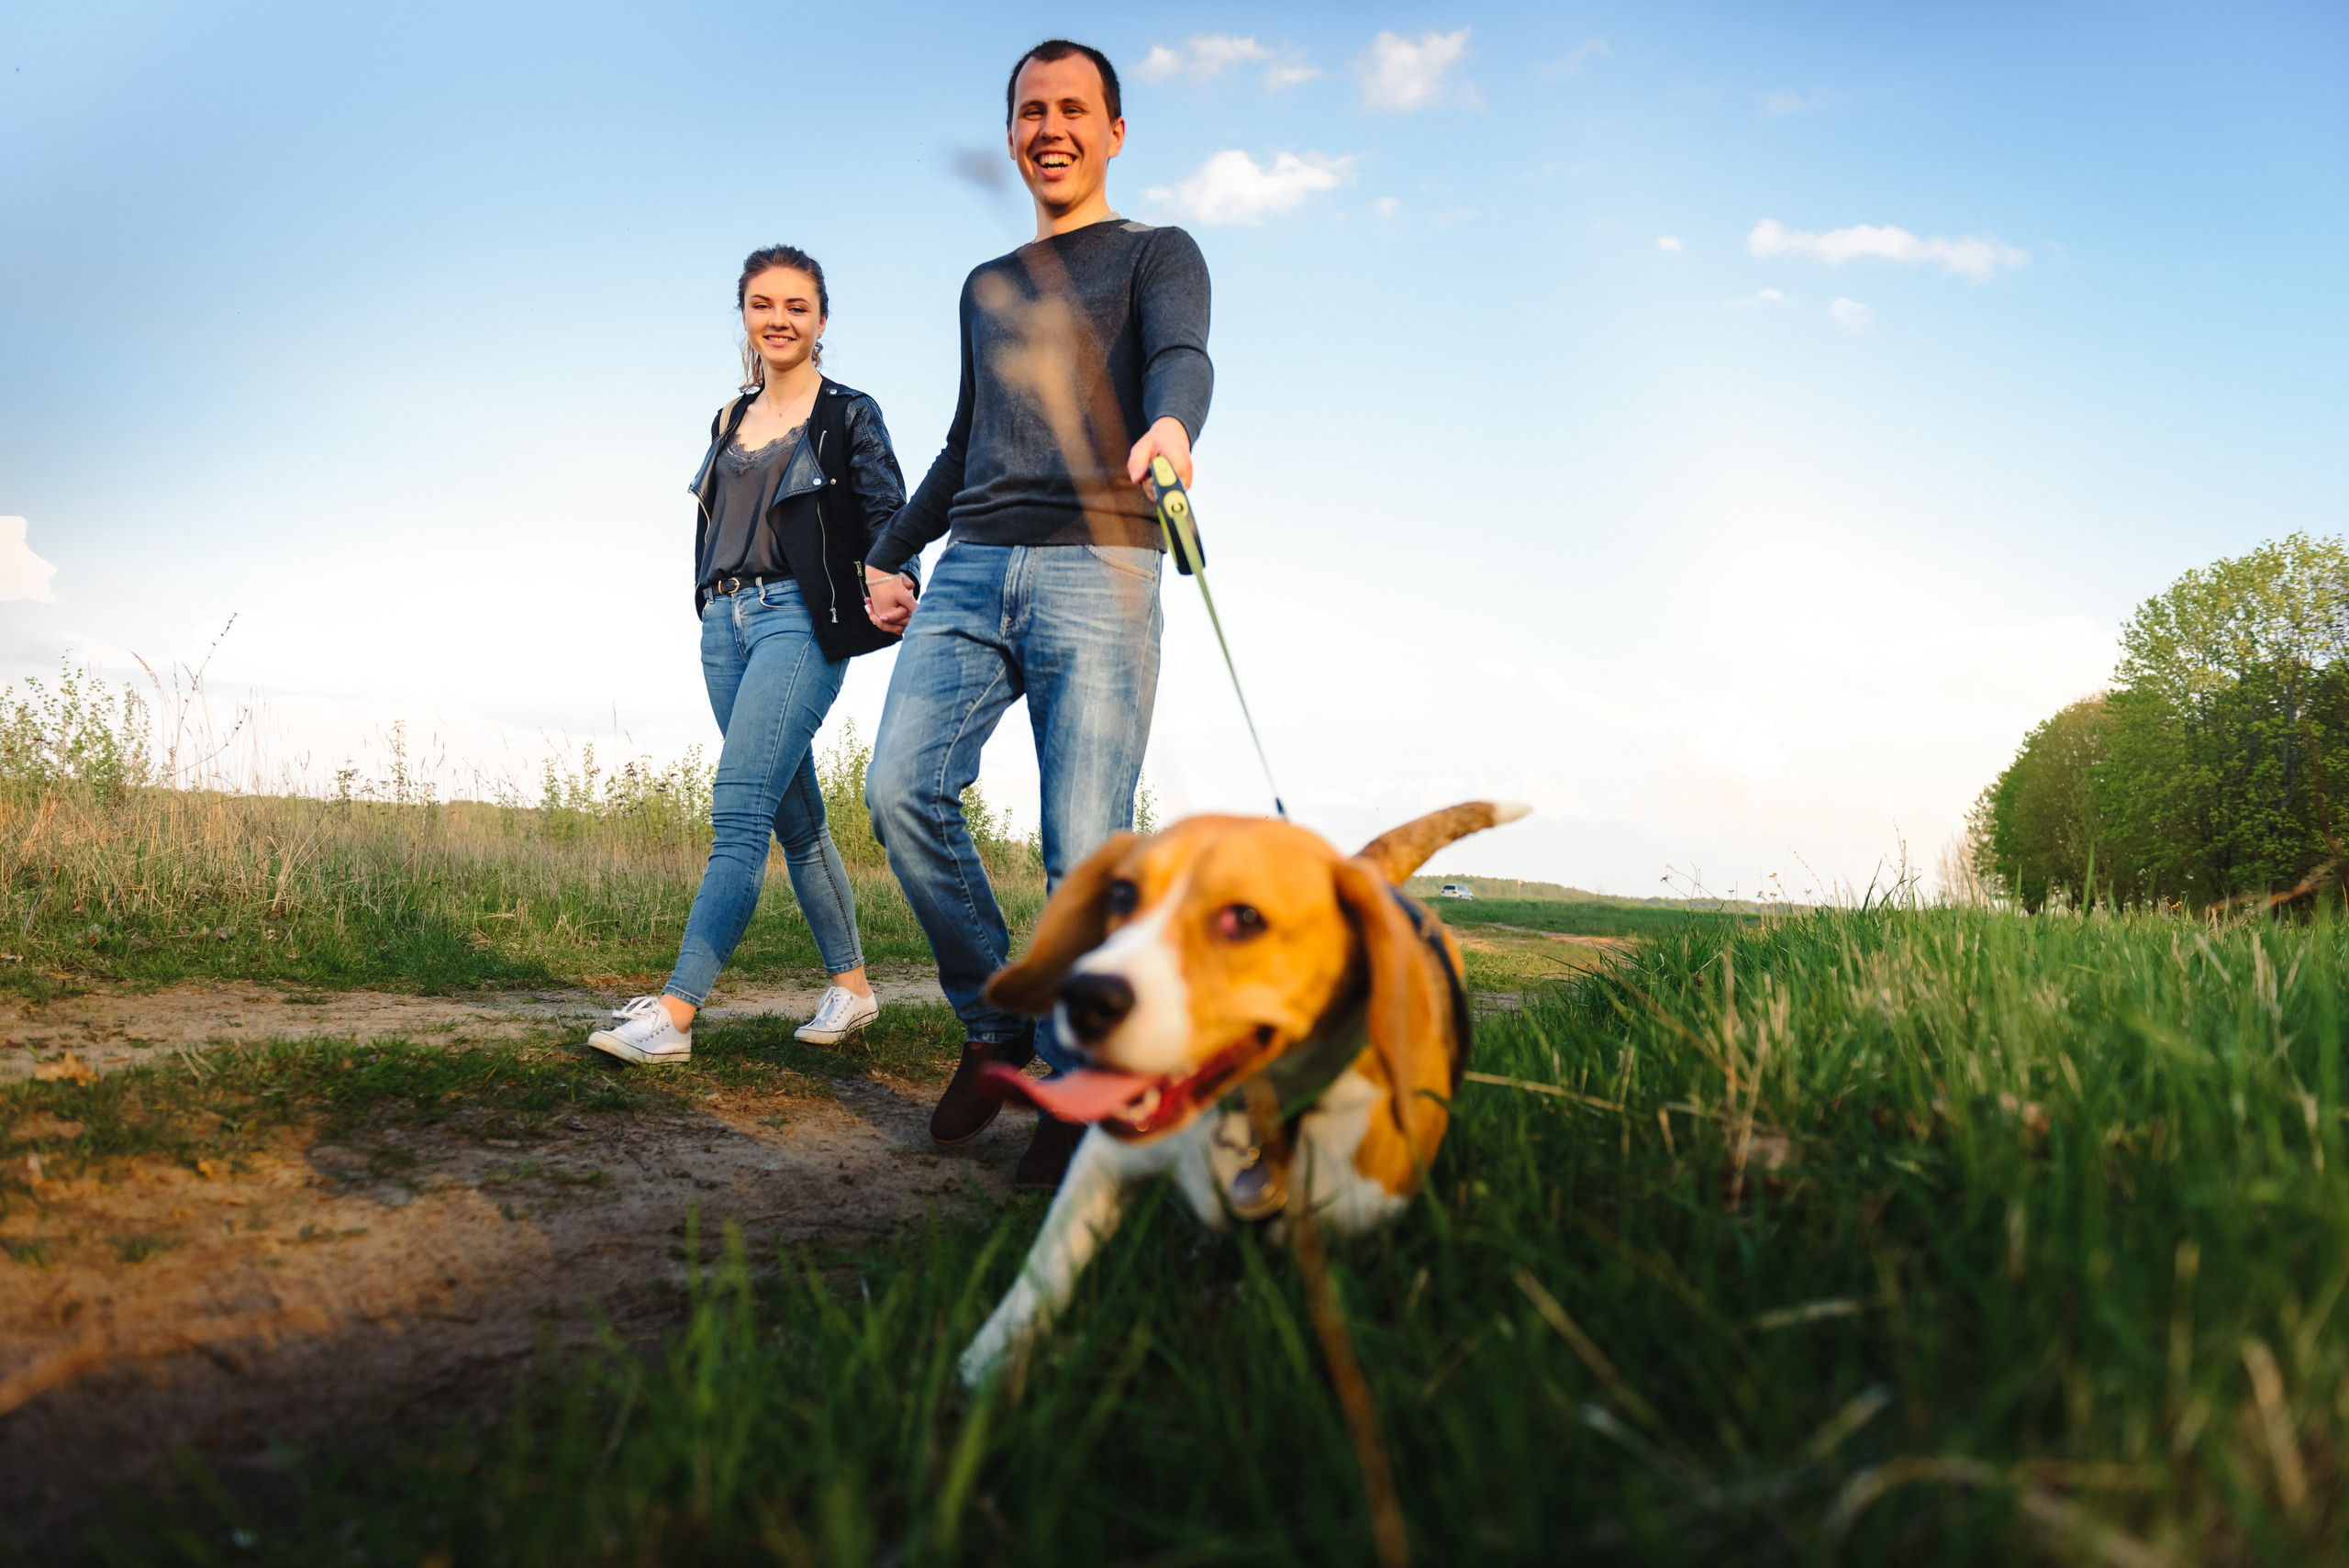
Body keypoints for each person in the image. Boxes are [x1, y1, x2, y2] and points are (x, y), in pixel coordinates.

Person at [861, 40, 1212, 1188]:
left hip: (1100, 565)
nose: (1048, 127)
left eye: (1072, 109)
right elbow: (968, 437)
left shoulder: (1159, 251)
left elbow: (1180, 358)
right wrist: (891, 544)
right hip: (973, 562)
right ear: (1011, 134)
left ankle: (1078, 1081)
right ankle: (995, 1023)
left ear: (1114, 131)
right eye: (1028, 111)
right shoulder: (987, 283)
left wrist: (1171, 429)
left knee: (1082, 851)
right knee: (899, 786)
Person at [591, 245, 917, 1066]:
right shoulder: (730, 418)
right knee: (792, 817)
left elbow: (890, 511)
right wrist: (708, 603)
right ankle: (853, 987)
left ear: (821, 320)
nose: (780, 319)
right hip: (723, 625)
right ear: (745, 312)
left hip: (799, 621)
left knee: (737, 810)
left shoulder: (848, 414)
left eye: (797, 306)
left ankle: (675, 1012)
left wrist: (898, 573)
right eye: (764, 304)